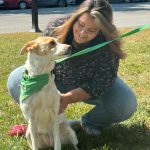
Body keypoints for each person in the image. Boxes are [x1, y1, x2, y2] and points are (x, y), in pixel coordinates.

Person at [7, 0, 137, 136]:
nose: (82, 33)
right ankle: (41, 123)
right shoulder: (55, 27)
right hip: (54, 80)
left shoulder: (109, 43)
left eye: (91, 30)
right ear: (75, 18)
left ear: (101, 31)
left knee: (125, 103)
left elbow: (102, 82)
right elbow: (41, 58)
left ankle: (88, 122)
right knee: (16, 79)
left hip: (89, 86)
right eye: (80, 25)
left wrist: (68, 98)